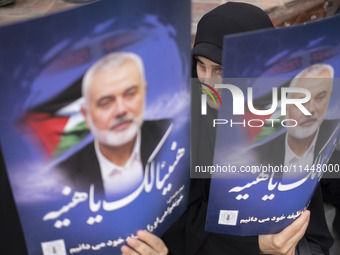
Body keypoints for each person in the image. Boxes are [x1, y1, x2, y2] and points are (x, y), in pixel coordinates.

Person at [121, 2, 333, 255]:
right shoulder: (184, 120)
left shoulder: (284, 106)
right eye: (201, 65)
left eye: (221, 69)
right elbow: (182, 222)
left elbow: (315, 186)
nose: (208, 81)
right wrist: (257, 246)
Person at [57, 52, 171, 198]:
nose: (121, 110)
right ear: (86, 115)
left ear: (143, 93)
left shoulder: (172, 133)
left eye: (130, 94)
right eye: (105, 102)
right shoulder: (63, 177)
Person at [253, 64, 339, 178]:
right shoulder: (256, 156)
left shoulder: (335, 139)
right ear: (284, 108)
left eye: (320, 97)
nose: (310, 110)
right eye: (301, 101)